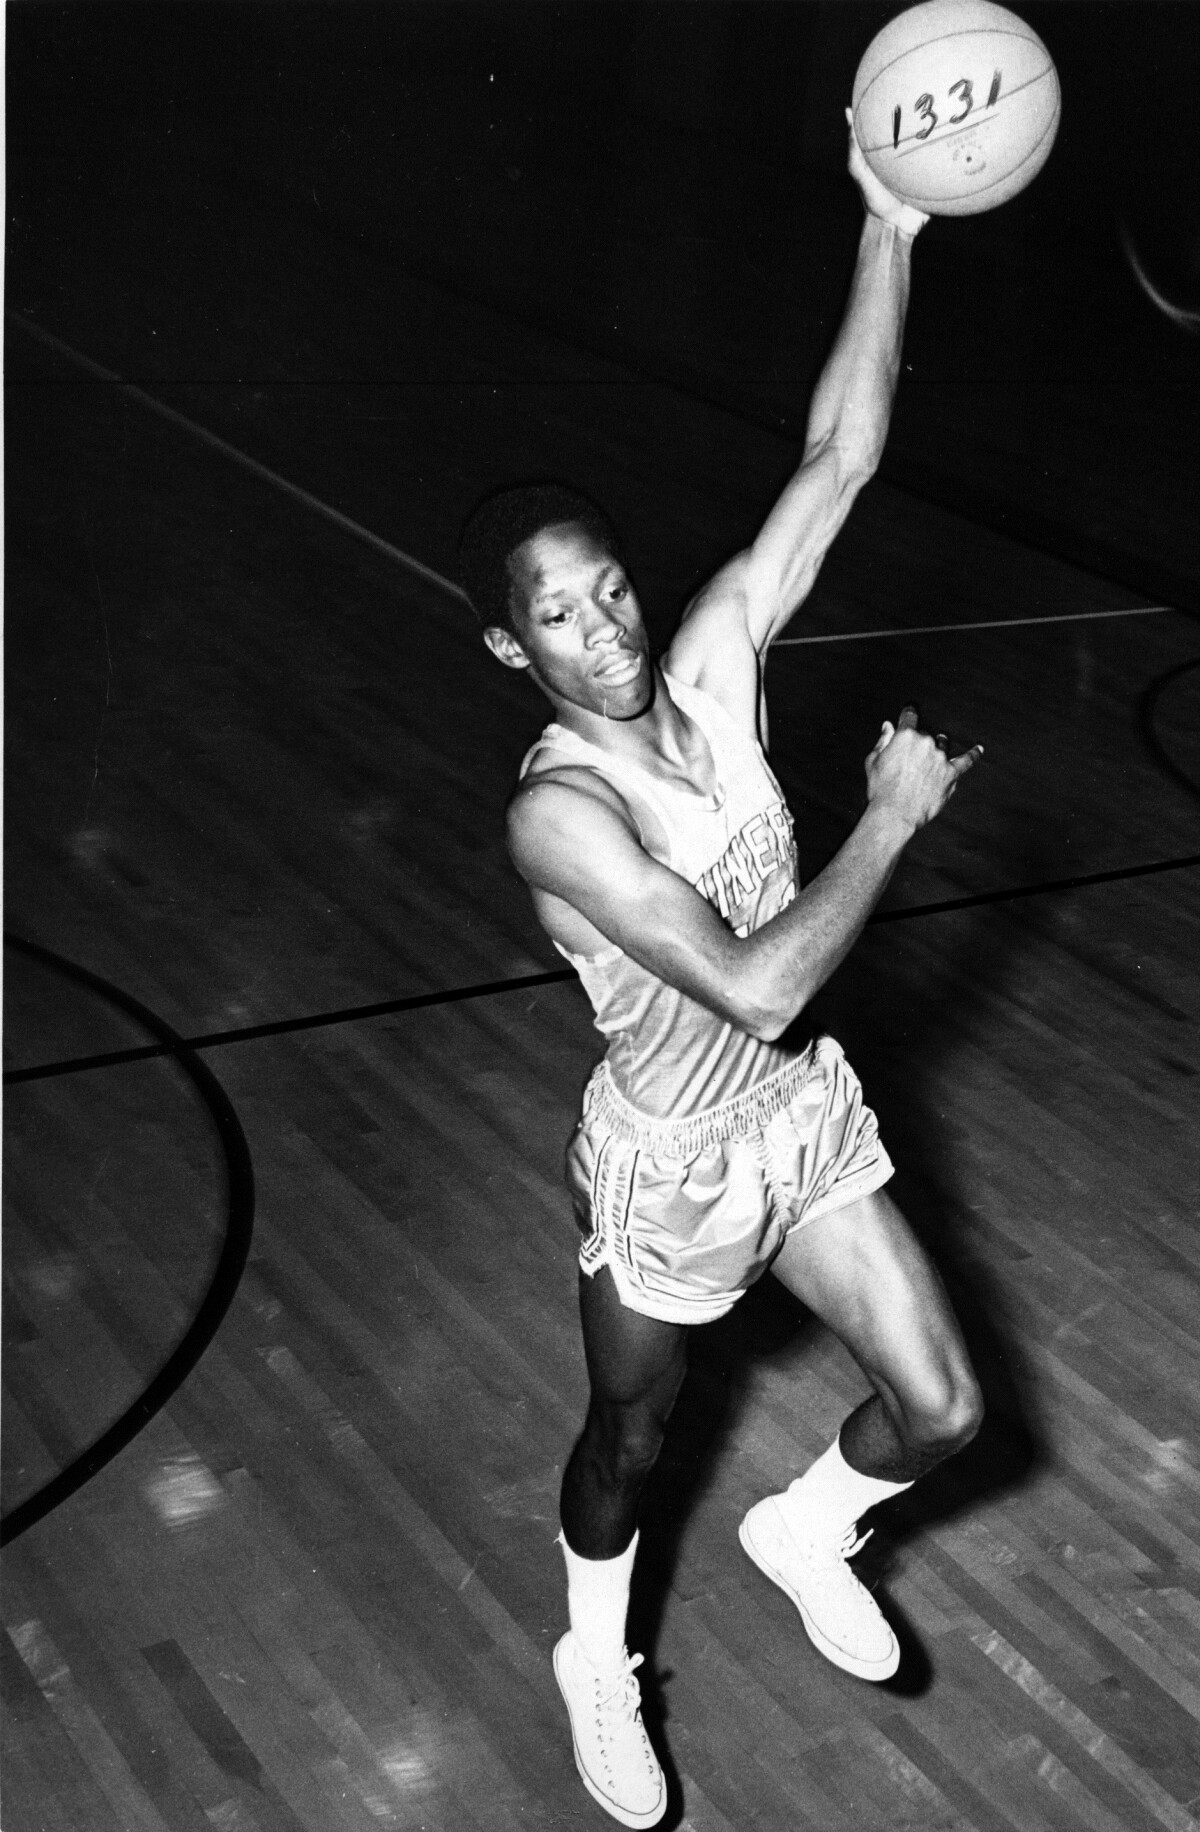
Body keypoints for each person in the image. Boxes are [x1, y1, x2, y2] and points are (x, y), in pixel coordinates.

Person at [458, 118, 984, 1831]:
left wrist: (890, 222)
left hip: (793, 1121)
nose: (606, 630)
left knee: (947, 1408)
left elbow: (837, 457)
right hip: (671, 1162)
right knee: (629, 1439)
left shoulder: (707, 667)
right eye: (561, 616)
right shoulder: (559, 818)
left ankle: (806, 1522)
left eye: (610, 589)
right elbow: (753, 984)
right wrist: (891, 824)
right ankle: (592, 1659)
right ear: (510, 648)